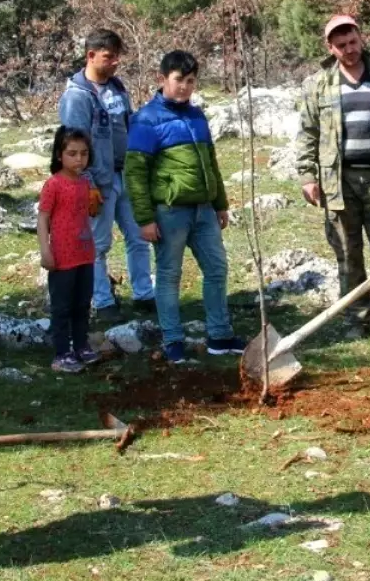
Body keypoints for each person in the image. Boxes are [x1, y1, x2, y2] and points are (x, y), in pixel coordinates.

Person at [124, 50, 246, 364]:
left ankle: (219, 336)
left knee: (217, 269)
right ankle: (173, 341)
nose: (185, 87)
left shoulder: (197, 116)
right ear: (162, 79)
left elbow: (211, 163)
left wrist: (220, 204)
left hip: (204, 210)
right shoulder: (146, 120)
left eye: (191, 81)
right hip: (169, 212)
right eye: (179, 80)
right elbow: (135, 173)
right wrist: (145, 218)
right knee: (168, 276)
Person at [296, 15, 370, 335]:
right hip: (337, 183)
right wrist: (307, 176)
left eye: (353, 41)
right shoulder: (317, 84)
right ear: (330, 47)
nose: (349, 49)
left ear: (361, 37)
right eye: (341, 45)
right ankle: (358, 319)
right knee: (347, 253)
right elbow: (307, 132)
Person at [59, 29, 155, 321]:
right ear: (91, 55)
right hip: (98, 180)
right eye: (108, 57)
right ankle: (102, 301)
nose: (115, 62)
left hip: (126, 174)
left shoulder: (117, 87)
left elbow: (128, 123)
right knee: (98, 243)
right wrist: (86, 184)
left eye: (117, 56)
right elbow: (74, 146)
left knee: (139, 236)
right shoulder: (76, 96)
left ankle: (144, 294)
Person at [38, 127, 99, 374]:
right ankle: (61, 353)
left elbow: (85, 215)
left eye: (84, 154)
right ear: (59, 155)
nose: (79, 159)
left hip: (85, 253)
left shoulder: (85, 183)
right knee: (62, 307)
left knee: (82, 303)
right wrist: (45, 251)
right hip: (62, 257)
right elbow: (43, 219)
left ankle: (81, 346)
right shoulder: (53, 184)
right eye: (72, 153)